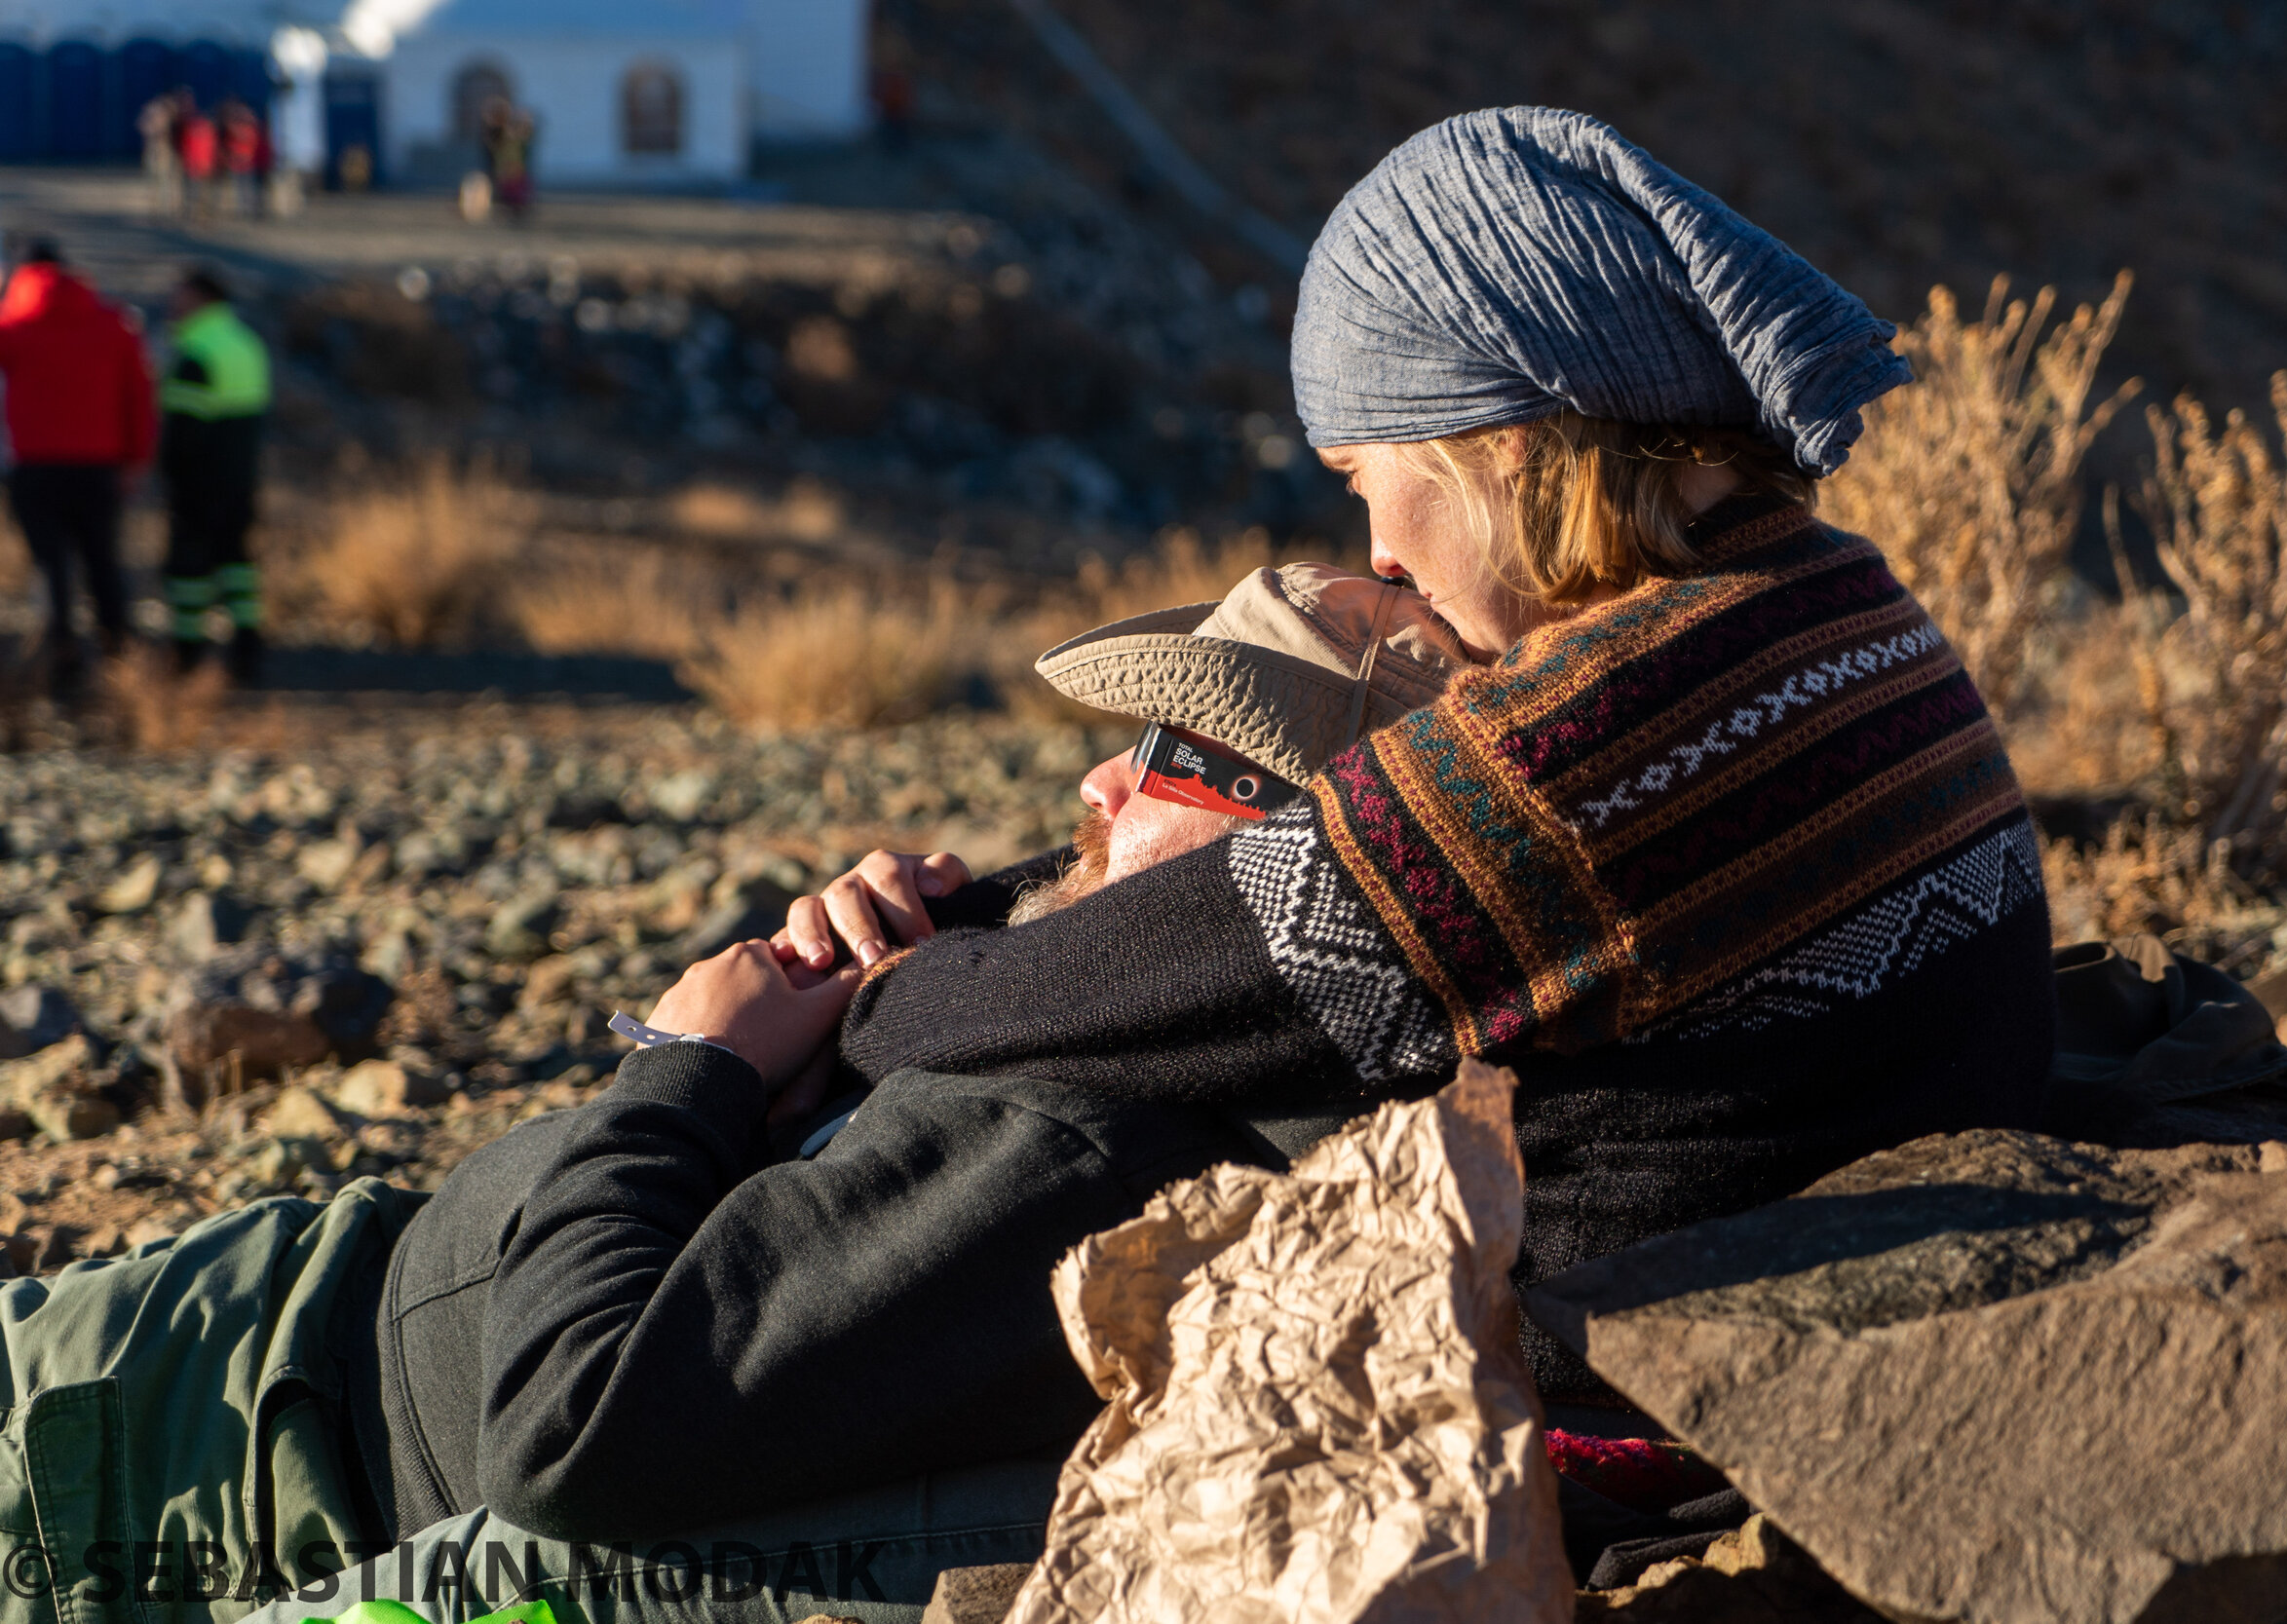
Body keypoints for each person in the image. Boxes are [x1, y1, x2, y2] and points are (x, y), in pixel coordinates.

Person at [801, 106, 2060, 1403]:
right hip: (1853, 1325)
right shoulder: (1825, 592)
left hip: (1640, 1439)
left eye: (1362, 471)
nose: (1381, 550)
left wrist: (860, 982)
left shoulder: (1562, 764)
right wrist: (976, 902)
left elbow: (1107, 993)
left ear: (1498, 439)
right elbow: (1255, 897)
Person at [0, 566, 1467, 1621]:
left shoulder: (1085, 1134)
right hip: (304, 1305)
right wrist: (892, 976)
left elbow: (569, 1419)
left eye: (1178, 755)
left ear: (1268, 877)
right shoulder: (1096, 1020)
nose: (1095, 778)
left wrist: (681, 1074)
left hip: (238, 1442)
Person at [0, 239, 155, 696]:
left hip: (33, 466)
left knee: (51, 566)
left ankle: (62, 657)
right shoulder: (114, 325)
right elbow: (139, 401)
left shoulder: (11, 326)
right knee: (102, 559)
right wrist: (135, 462)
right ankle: (117, 653)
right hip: (99, 465)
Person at [158, 265, 271, 681]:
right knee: (237, 563)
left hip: (199, 482)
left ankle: (188, 654)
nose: (173, 303)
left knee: (189, 570)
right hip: (241, 476)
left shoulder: (196, 353)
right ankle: (248, 643)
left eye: (180, 294)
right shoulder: (247, 343)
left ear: (201, 299)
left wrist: (169, 474)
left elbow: (183, 431)